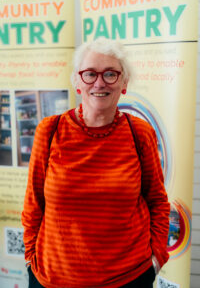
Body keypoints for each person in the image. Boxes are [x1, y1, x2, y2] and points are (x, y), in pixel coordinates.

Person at [21, 38, 170, 288]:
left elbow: (157, 200)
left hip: (128, 277)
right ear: (77, 82)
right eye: (90, 74)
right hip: (53, 279)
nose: (99, 83)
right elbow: (33, 204)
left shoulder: (139, 133)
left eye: (111, 74)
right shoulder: (49, 131)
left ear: (124, 83)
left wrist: (156, 257)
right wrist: (30, 259)